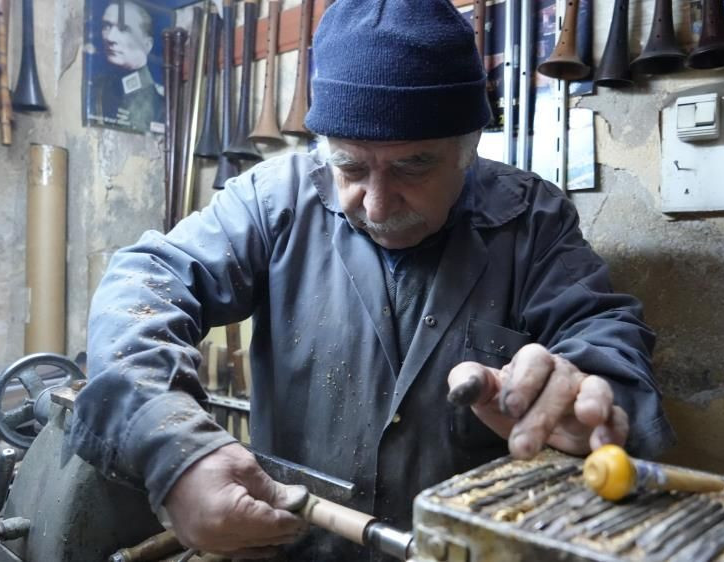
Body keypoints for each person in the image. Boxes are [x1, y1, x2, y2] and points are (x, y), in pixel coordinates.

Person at [69, 0, 675, 559]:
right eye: (351, 166)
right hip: (297, 549)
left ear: (468, 149)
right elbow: (145, 284)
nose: (378, 205)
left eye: (414, 164)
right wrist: (173, 451)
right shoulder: (273, 198)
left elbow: (604, 332)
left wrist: (594, 402)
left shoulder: (532, 220)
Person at [87, 0, 164, 133]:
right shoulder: (95, 88)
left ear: (147, 45)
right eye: (106, 26)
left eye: (124, 29)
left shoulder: (160, 103)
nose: (110, 38)